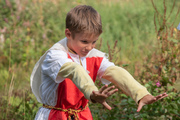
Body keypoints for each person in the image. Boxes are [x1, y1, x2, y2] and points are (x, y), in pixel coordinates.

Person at [30, 5, 168, 120]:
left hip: (82, 115)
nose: (89, 47)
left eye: (94, 42)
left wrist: (140, 93)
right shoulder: (55, 55)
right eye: (84, 41)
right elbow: (74, 70)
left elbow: (115, 72)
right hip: (55, 115)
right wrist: (92, 93)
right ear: (68, 34)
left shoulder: (93, 56)